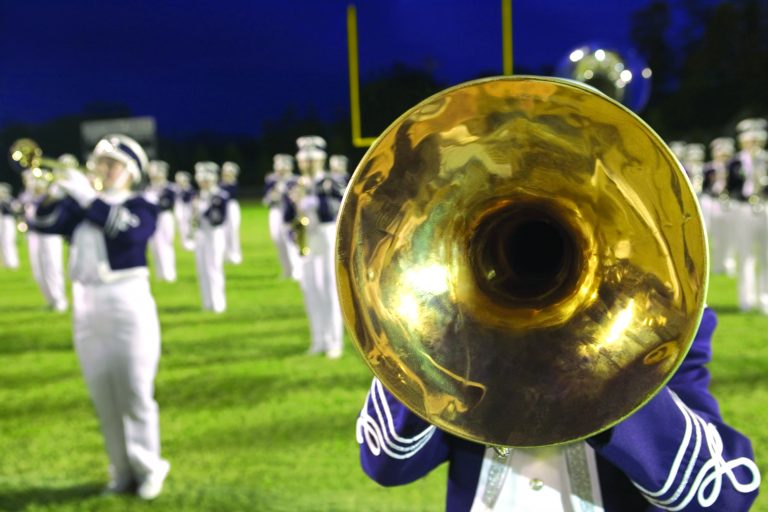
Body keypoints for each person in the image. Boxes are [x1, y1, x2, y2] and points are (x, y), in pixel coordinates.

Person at [357, 307, 760, 511]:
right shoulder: (455, 323)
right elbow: (387, 463)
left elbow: (722, 495)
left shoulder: (666, 320)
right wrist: (428, 347)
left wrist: (609, 380)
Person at [31, 134, 170, 500]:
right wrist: (51, 195)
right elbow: (43, 223)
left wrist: (87, 197)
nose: (103, 170)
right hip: (86, 306)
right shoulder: (81, 206)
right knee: (103, 394)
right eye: (100, 163)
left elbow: (128, 231)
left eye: (113, 164)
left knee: (135, 392)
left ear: (131, 171)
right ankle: (120, 470)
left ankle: (149, 466)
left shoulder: (142, 204)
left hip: (127, 303)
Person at [287, 136, 346, 358]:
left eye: (312, 160)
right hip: (307, 239)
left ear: (321, 160)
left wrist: (315, 203)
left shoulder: (330, 182)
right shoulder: (296, 185)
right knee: (309, 288)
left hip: (326, 235)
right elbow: (287, 215)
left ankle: (334, 342)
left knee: (328, 288)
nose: (308, 165)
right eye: (304, 161)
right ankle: (318, 339)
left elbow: (337, 206)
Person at [727, 118, 768, 313]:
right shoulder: (735, 162)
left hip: (765, 206)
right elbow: (730, 186)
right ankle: (746, 298)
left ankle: (764, 298)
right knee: (745, 253)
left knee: (766, 254)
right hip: (744, 207)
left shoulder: (765, 159)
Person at [192, 161, 229, 313]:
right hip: (201, 234)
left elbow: (218, 219)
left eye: (206, 179)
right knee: (202, 270)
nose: (203, 183)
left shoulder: (219, 195)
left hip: (214, 235)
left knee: (213, 268)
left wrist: (203, 209)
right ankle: (207, 303)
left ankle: (218, 303)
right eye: (201, 180)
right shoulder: (199, 195)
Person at [701, 137, 736, 276]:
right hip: (713, 202)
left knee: (729, 235)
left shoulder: (732, 168)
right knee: (715, 236)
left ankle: (729, 263)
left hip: (729, 202)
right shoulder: (709, 168)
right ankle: (716, 265)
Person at [264, 153, 297, 279]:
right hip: (276, 212)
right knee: (278, 240)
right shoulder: (272, 180)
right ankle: (286, 270)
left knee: (291, 241)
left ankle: (296, 270)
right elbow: (267, 200)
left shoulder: (294, 180)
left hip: (290, 213)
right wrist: (275, 193)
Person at [145, 160, 177, 282]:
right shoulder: (150, 188)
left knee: (166, 244)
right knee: (155, 245)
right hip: (153, 217)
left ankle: (169, 273)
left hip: (164, 217)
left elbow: (167, 204)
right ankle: (160, 274)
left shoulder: (169, 188)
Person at [220, 161, 243, 265]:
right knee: (223, 231)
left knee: (233, 231)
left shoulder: (233, 183)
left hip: (232, 207)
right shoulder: (220, 183)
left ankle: (235, 255)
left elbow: (230, 195)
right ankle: (225, 255)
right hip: (223, 207)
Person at [172, 170, 195, 251]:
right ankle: (183, 241)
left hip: (187, 208)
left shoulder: (189, 189)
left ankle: (189, 241)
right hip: (179, 207)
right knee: (181, 225)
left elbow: (188, 199)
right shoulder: (176, 188)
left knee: (188, 225)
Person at [0, 182, 20, 270]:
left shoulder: (9, 200)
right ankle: (6, 262)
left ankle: (12, 262)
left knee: (8, 241)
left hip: (8, 221)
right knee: (3, 242)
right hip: (2, 221)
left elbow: (15, 210)